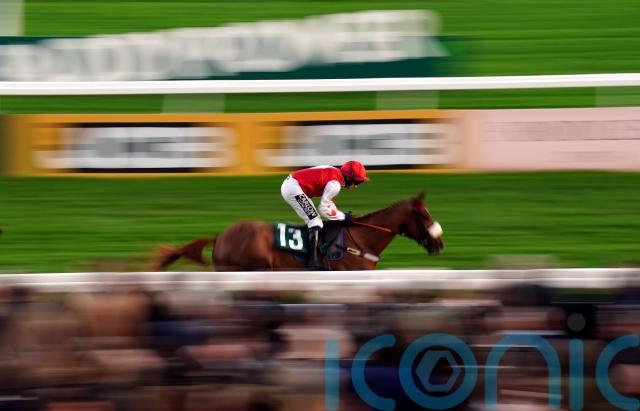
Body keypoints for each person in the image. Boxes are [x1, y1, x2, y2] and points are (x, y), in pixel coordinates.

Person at [280, 161, 369, 269]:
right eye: (357, 182)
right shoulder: (335, 185)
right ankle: (312, 261)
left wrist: (341, 215)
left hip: (293, 184)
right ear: (349, 178)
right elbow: (323, 208)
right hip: (293, 189)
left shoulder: (334, 172)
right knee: (315, 221)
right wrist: (343, 217)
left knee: (316, 220)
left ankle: (314, 254)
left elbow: (328, 204)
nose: (356, 186)